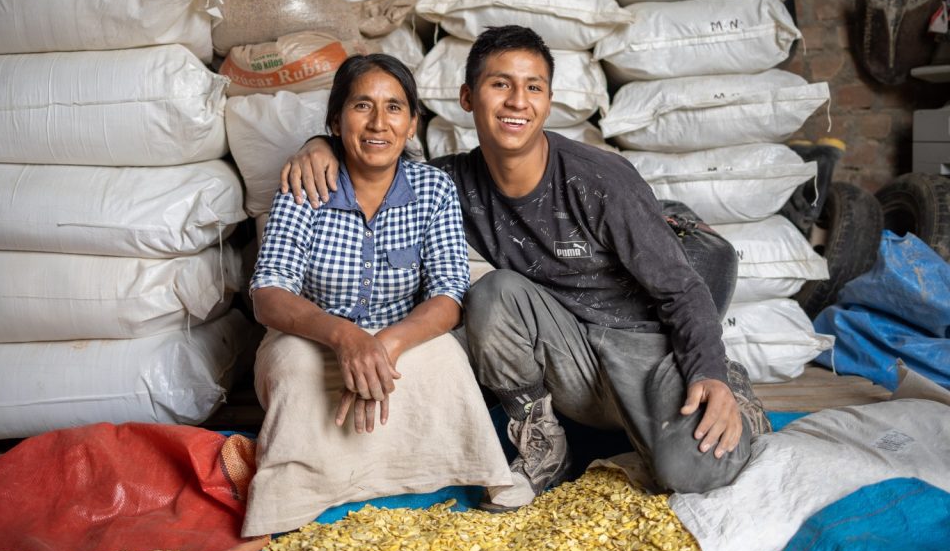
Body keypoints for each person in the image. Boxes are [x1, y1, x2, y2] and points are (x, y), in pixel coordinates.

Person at [280, 27, 770, 512]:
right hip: (569, 357)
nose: (517, 101)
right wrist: (319, 145)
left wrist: (709, 373)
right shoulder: (451, 183)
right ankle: (543, 444)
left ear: (548, 101)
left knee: (691, 473)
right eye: (500, 84)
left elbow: (683, 290)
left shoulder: (601, 182)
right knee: (493, 293)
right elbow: (380, 150)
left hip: (646, 352)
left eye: (533, 87)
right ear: (468, 97)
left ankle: (736, 393)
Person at [241, 53, 511, 536]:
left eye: (394, 108)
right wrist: (345, 338)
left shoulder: (433, 188)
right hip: (311, 335)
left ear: (411, 125)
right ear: (335, 120)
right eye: (362, 106)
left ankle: (433, 477)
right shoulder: (305, 183)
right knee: (297, 368)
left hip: (400, 336)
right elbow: (269, 292)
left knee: (446, 360)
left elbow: (449, 294)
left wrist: (384, 344)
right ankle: (296, 499)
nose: (378, 123)